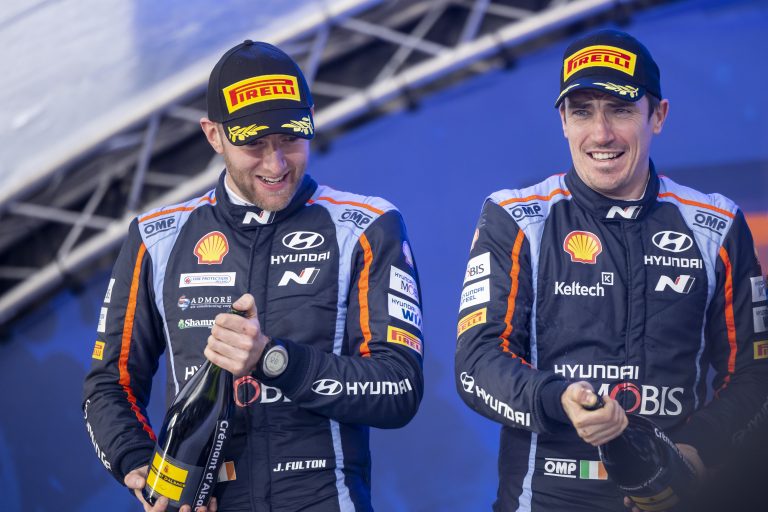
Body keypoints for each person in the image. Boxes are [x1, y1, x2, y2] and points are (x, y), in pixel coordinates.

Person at [82, 40, 424, 512]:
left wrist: (273, 359)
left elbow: (400, 386)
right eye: (254, 144)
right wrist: (140, 465)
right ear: (213, 135)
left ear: (310, 120)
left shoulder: (366, 226)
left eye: (290, 139)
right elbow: (109, 384)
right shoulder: (157, 237)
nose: (275, 164)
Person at [454, 29, 768, 511]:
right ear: (563, 121)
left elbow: (754, 371)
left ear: (658, 115)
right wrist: (559, 398)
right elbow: (476, 362)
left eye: (620, 110)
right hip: (545, 499)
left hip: (673, 495)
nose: (601, 134)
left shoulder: (717, 224)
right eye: (582, 111)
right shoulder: (516, 217)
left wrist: (698, 450)